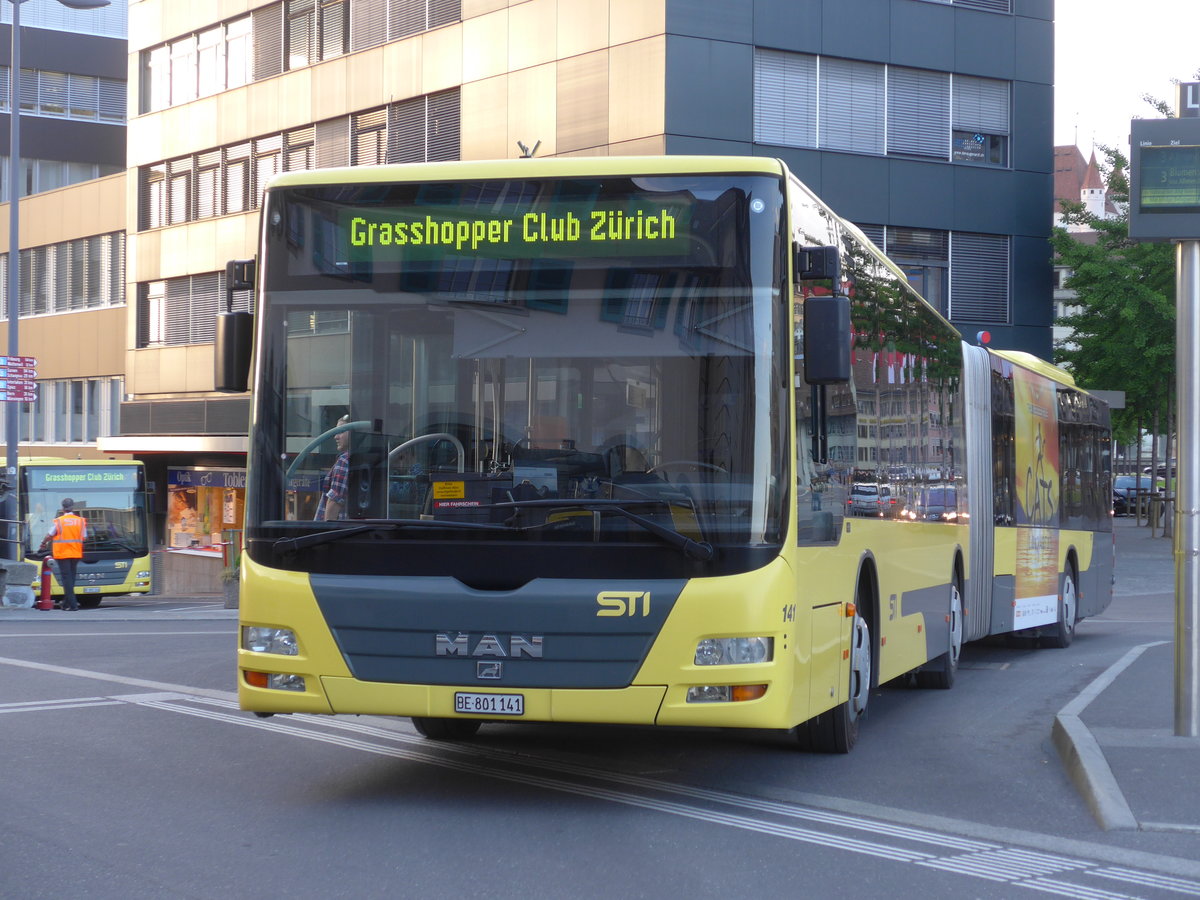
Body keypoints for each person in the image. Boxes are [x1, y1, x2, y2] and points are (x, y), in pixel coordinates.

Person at [46, 498, 87, 612]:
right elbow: (84, 536)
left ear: (63, 508)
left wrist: (43, 543)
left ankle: (73, 604)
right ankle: (66, 602)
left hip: (63, 553)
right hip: (76, 553)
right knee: (71, 577)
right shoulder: (80, 521)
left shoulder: (59, 521)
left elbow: (50, 534)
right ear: (72, 507)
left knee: (66, 578)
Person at [316, 415, 352, 521]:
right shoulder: (359, 458)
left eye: (341, 431)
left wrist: (326, 532)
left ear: (354, 433)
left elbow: (334, 503)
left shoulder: (345, 460)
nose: (336, 436)